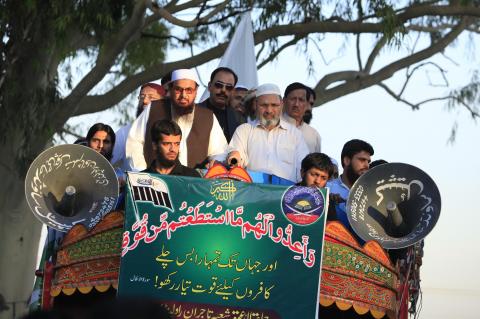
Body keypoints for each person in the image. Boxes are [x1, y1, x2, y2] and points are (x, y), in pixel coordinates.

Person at [126, 69, 227, 171]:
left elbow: (220, 152)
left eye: (189, 90)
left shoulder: (207, 117)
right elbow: (134, 142)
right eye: (178, 89)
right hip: (155, 182)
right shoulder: (153, 109)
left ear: (195, 92)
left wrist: (215, 164)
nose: (183, 95)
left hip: (194, 184)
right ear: (170, 90)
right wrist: (140, 172)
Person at [226, 83, 309, 183]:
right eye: (264, 105)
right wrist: (234, 156)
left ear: (282, 104)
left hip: (284, 194)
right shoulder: (244, 130)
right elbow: (236, 158)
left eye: (274, 105)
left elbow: (304, 168)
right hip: (252, 192)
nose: (269, 110)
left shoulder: (295, 135)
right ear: (255, 105)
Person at [111, 82, 165, 171]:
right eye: (142, 97)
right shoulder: (125, 132)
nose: (145, 101)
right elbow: (106, 161)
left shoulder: (174, 130)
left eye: (151, 97)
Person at [327, 139, 374, 229]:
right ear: (347, 160)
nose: (367, 166)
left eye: (368, 162)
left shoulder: (372, 195)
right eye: (362, 160)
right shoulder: (327, 188)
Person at [198, 67, 240, 142]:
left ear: (233, 91)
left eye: (228, 87)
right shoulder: (192, 112)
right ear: (210, 86)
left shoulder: (238, 119)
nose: (223, 90)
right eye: (219, 85)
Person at [282, 82, 322, 153]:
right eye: (293, 99)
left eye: (301, 100)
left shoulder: (313, 135)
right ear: (284, 101)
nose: (296, 104)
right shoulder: (272, 126)